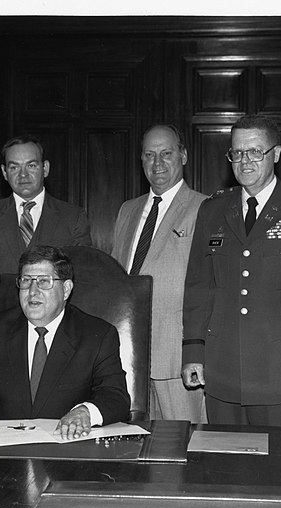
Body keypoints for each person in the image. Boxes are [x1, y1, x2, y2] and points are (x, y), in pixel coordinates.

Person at [181, 114, 281, 458]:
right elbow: (198, 287)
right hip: (223, 372)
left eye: (255, 152)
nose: (245, 161)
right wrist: (193, 351)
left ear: (276, 154)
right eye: (237, 153)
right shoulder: (213, 209)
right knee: (224, 470)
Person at [0, 246, 130, 439]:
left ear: (66, 289)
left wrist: (85, 412)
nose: (33, 292)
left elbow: (115, 397)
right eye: (26, 281)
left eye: (44, 281)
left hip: (68, 451)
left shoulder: (97, 335)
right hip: (6, 452)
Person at [112, 124, 207, 422]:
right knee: (132, 450)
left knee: (184, 448)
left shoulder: (205, 208)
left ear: (184, 156)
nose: (157, 163)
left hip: (177, 358)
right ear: (141, 160)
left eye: (166, 153)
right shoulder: (128, 210)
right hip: (127, 356)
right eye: (149, 155)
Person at [0, 134, 91, 317]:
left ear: (45, 168)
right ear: (4, 172)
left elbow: (80, 274)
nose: (23, 175)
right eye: (14, 167)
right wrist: (5, 315)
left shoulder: (73, 217)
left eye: (31, 165)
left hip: (55, 327)